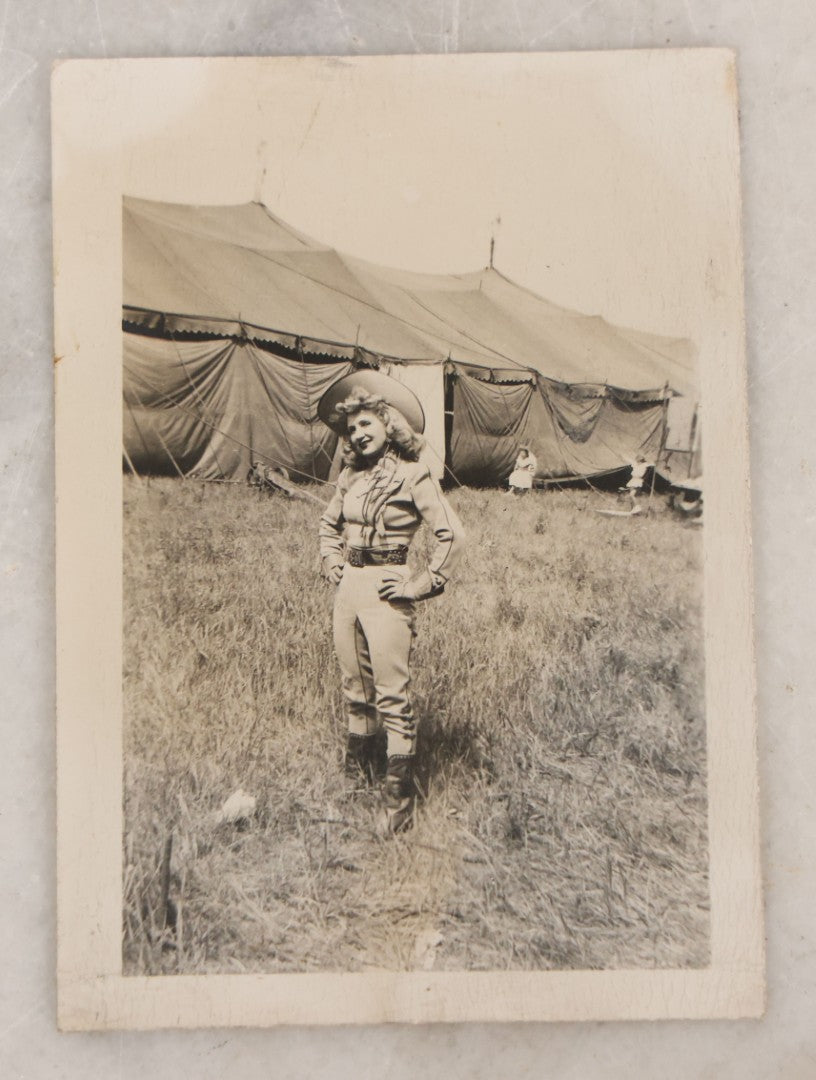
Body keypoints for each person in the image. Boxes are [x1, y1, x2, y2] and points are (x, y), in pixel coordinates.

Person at [317, 370, 466, 835]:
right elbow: (328, 525)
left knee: (392, 699)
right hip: (349, 592)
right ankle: (357, 781)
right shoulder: (348, 477)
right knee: (354, 692)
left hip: (387, 590)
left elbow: (451, 535)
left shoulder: (413, 473)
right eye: (351, 429)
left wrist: (419, 584)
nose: (358, 434)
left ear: (387, 424)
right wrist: (331, 560)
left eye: (367, 424)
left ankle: (397, 802)